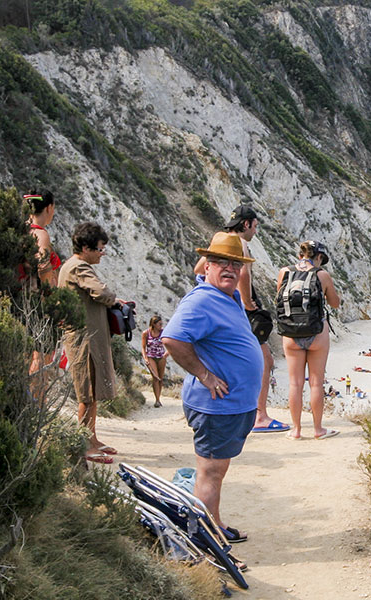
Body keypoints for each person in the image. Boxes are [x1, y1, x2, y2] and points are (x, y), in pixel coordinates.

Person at [163, 232, 263, 544]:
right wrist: (205, 376)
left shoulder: (225, 293)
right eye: (220, 262)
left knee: (217, 471)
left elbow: (207, 273)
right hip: (215, 405)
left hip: (231, 406)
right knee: (210, 472)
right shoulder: (202, 300)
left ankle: (214, 524)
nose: (229, 268)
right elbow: (172, 339)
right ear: (207, 265)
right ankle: (204, 540)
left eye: (235, 263)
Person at [194, 205, 286, 433]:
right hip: (240, 307)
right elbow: (244, 273)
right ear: (246, 224)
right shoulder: (240, 243)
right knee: (264, 360)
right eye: (255, 227)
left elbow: (199, 269)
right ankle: (259, 416)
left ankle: (242, 409)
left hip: (220, 304)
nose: (255, 232)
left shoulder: (220, 240)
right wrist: (246, 302)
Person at [57, 222, 119, 464]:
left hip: (86, 338)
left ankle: (91, 439)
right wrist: (114, 299)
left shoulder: (72, 265)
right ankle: (83, 446)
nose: (101, 254)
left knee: (91, 392)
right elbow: (100, 292)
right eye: (100, 249)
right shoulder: (79, 267)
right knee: (86, 393)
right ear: (85, 248)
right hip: (84, 340)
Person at [274, 241, 341, 440]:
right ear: (318, 257)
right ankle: (318, 429)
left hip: (291, 333)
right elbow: (335, 304)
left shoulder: (284, 271)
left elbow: (278, 297)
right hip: (316, 333)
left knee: (295, 384)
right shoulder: (322, 275)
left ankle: (296, 430)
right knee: (316, 383)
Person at [25, 191, 61, 401]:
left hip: (19, 300)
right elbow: (43, 265)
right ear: (49, 208)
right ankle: (36, 406)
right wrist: (53, 297)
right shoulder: (40, 234)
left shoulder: (19, 230)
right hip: (38, 305)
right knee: (40, 359)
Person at [141, 315, 168, 408]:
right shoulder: (146, 333)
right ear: (154, 324)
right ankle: (157, 400)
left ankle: (159, 398)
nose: (161, 325)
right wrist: (145, 358)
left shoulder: (164, 332)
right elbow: (143, 347)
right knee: (155, 378)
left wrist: (167, 353)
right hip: (151, 357)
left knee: (160, 378)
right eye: (159, 324)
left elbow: (170, 343)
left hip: (161, 357)